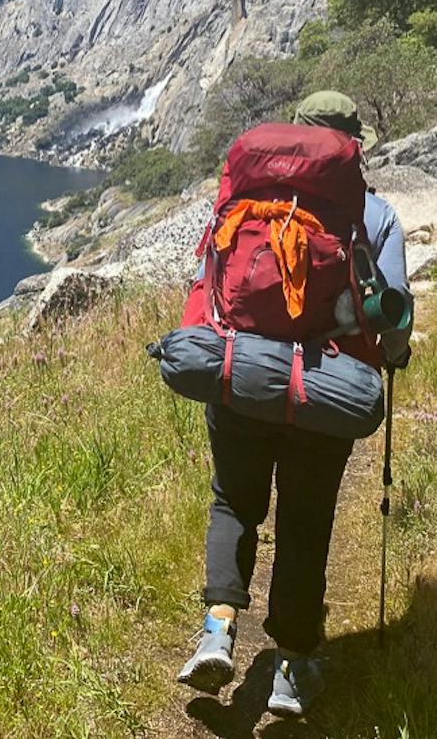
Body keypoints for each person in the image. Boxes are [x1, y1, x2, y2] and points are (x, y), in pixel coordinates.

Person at [177, 91, 414, 717]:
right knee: (305, 525)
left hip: (239, 379)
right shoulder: (374, 213)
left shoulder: (245, 197)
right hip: (323, 394)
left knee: (233, 500)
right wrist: (394, 355)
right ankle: (291, 668)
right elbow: (390, 323)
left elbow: (209, 279)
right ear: (352, 144)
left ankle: (218, 630)